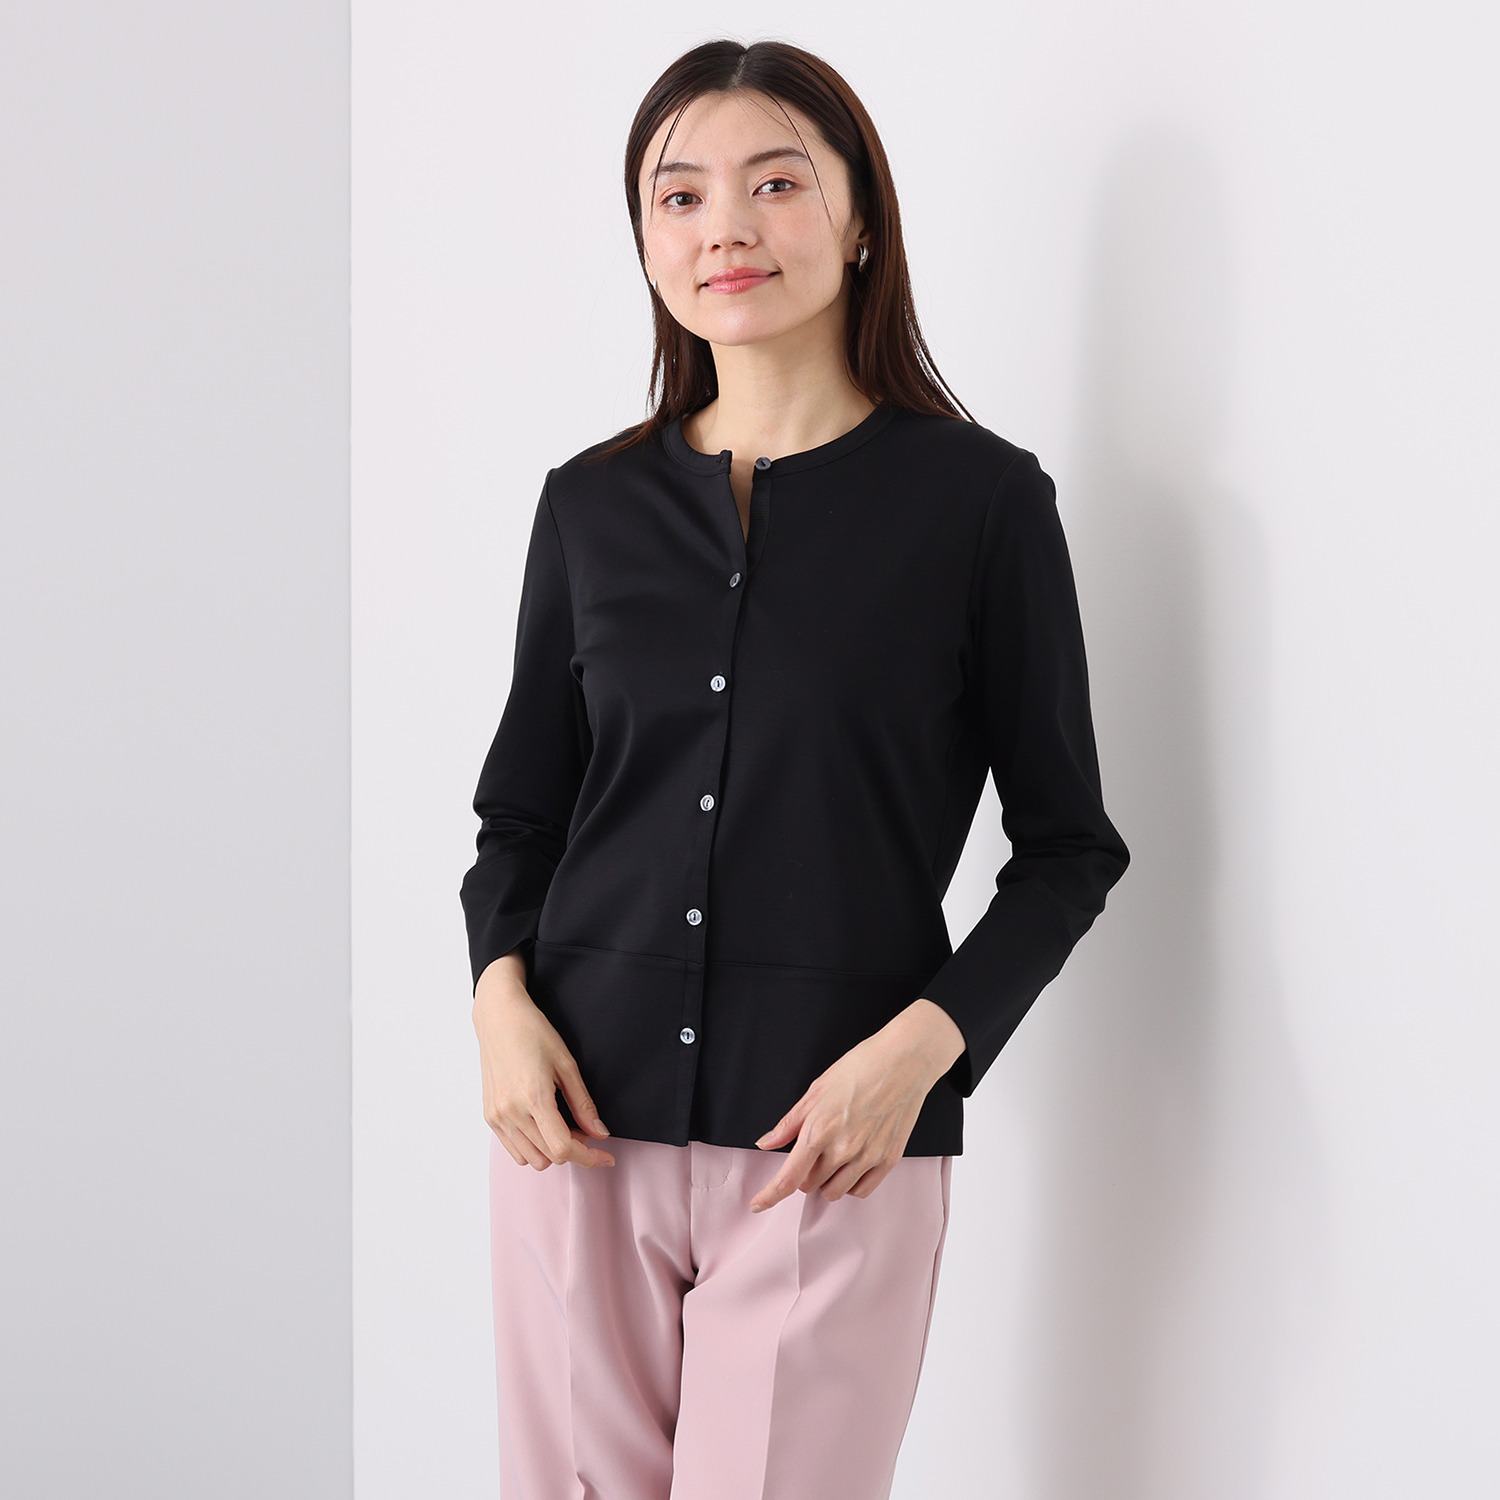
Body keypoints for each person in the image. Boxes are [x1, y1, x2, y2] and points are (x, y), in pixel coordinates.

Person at [460, 37, 1129, 1500]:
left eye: (776, 184)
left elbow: (1069, 851)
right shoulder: (589, 507)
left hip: (833, 1139)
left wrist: (921, 1053)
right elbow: (521, 813)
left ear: (860, 216)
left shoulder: (981, 504)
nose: (726, 229)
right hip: (576, 1127)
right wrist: (500, 1007)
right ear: (646, 240)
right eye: (680, 196)